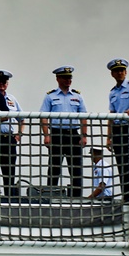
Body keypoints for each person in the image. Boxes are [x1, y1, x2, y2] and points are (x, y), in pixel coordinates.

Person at [40, 66, 88, 197]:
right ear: (58, 78)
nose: (68, 80)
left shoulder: (77, 96)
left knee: (76, 168)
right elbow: (43, 116)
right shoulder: (51, 96)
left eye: (70, 78)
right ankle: (51, 195)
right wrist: (46, 135)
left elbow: (84, 117)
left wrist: (84, 136)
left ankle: (77, 197)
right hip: (56, 134)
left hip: (73, 135)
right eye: (65, 78)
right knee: (54, 167)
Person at [105, 58, 129, 198]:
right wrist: (108, 137)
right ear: (112, 74)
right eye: (117, 71)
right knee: (120, 163)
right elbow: (112, 114)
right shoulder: (113, 92)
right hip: (116, 128)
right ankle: (126, 195)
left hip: (128, 127)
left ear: (126, 72)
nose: (120, 73)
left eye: (122, 70)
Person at [0, 69, 24, 197]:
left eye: (4, 82)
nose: (1, 85)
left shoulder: (12, 99)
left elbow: (21, 118)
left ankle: (9, 198)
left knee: (9, 170)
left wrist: (19, 134)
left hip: (9, 139)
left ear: (7, 84)